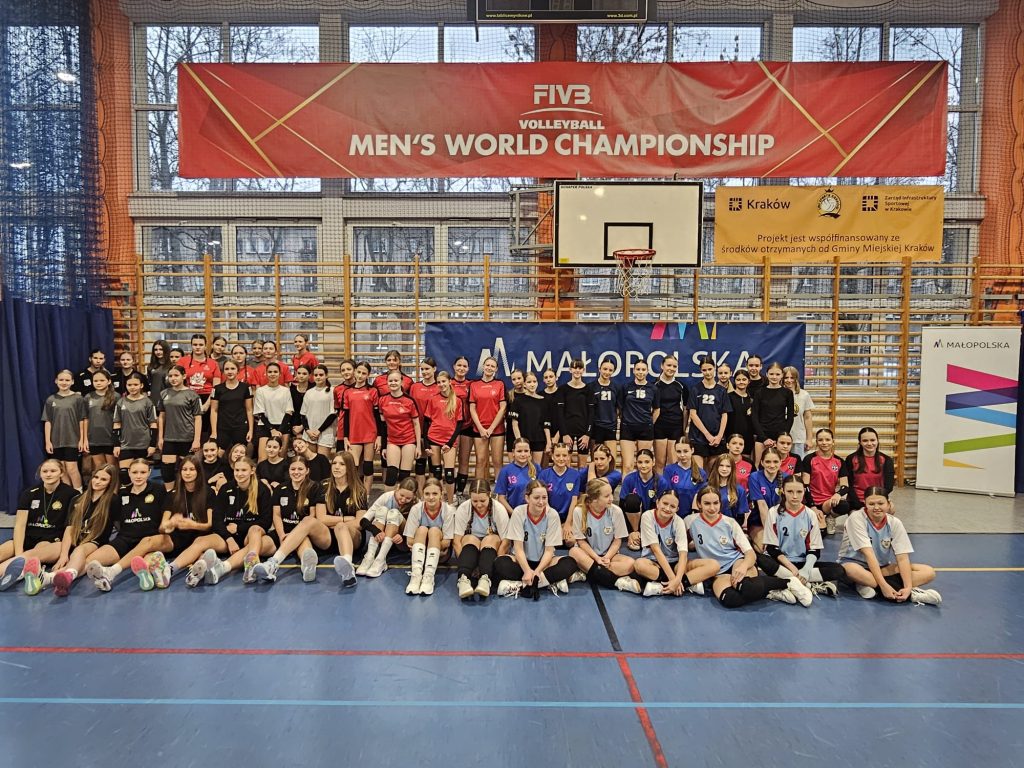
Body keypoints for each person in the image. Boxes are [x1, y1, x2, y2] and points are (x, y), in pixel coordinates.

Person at [684, 486, 804, 608]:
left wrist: (743, 567)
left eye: (716, 503)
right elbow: (682, 547)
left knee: (746, 587)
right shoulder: (690, 522)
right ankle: (768, 592)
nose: (712, 508)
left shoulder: (730, 523)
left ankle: (788, 582)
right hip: (718, 572)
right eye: (707, 503)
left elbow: (750, 554)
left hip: (737, 562)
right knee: (729, 599)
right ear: (699, 504)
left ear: (720, 503)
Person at [838, 487, 941, 605]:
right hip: (855, 565)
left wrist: (907, 587)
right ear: (865, 504)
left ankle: (866, 584)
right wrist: (883, 586)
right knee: (851, 570)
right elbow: (869, 554)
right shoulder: (856, 518)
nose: (876, 507)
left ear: (888, 504)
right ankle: (912, 594)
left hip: (882, 568)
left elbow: (902, 558)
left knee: (928, 572)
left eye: (880, 503)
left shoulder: (894, 523)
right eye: (871, 504)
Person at [84, 458, 167, 592]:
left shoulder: (159, 489)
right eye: (134, 472)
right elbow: (116, 520)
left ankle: (113, 574)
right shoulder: (121, 493)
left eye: (142, 472)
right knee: (91, 560)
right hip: (125, 539)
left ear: (149, 473)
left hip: (149, 540)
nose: (138, 476)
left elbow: (166, 513)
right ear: (129, 473)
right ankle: (65, 576)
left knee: (149, 563)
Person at [190, 457, 275, 586]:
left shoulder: (262, 490)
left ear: (252, 471)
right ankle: (172, 568)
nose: (239, 474)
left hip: (251, 538)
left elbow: (266, 521)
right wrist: (229, 539)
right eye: (237, 470)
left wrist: (239, 528)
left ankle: (247, 568)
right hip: (229, 537)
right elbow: (217, 519)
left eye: (244, 470)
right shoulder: (226, 488)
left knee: (255, 530)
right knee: (200, 541)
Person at [757, 475, 842, 604]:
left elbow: (814, 549)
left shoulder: (810, 514)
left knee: (838, 570)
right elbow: (772, 548)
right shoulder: (773, 512)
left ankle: (787, 583)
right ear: (783, 491)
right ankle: (807, 584)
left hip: (802, 563)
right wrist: (792, 568)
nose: (795, 496)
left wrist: (806, 569)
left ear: (804, 492)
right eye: (790, 491)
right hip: (782, 563)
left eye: (799, 492)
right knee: (760, 559)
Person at [0, 459, 79, 593]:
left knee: (34, 552)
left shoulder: (72, 494)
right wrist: (19, 553)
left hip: (53, 541)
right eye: (45, 471)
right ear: (40, 474)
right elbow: (20, 525)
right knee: (6, 549)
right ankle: (21, 568)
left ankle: (12, 571)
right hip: (29, 538)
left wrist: (64, 555)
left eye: (53, 471)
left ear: (61, 473)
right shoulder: (29, 493)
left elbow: (70, 527)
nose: (48, 474)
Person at [493, 480, 578, 598]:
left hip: (544, 563)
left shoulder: (552, 515)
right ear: (527, 498)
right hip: (521, 562)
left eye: (544, 497)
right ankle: (547, 582)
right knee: (500, 563)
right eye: (536, 498)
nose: (541, 502)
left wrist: (537, 572)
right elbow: (518, 549)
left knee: (570, 563)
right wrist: (527, 570)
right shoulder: (519, 512)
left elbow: (549, 551)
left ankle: (522, 585)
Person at [44, 463, 119, 596]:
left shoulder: (112, 501)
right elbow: (70, 528)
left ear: (110, 483)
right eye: (96, 477)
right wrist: (63, 555)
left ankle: (62, 576)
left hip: (94, 542)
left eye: (103, 479)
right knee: (57, 549)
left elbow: (120, 525)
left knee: (80, 550)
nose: (97, 481)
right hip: (75, 540)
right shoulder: (77, 499)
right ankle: (44, 576)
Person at [252, 456, 330, 584]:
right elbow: (276, 515)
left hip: (304, 532)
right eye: (293, 469)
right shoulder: (280, 488)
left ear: (307, 471)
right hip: (284, 532)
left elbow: (313, 515)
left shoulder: (315, 487)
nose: (296, 472)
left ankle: (275, 563)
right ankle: (228, 566)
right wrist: (282, 535)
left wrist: (294, 534)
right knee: (258, 545)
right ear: (288, 470)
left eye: (300, 469)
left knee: (305, 541)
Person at [140, 455, 213, 589]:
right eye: (184, 469)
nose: (187, 473)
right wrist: (169, 524)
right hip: (177, 539)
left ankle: (170, 571)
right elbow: (162, 527)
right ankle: (148, 575)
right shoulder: (172, 494)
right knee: (149, 548)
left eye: (191, 469)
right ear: (180, 472)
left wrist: (193, 525)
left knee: (204, 557)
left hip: (199, 539)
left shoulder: (208, 492)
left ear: (198, 472)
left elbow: (209, 525)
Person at [632, 489, 720, 598]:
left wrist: (677, 579)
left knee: (714, 565)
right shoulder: (647, 516)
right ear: (657, 502)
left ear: (677, 509)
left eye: (672, 506)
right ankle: (685, 585)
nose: (668, 508)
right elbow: (656, 550)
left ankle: (662, 586)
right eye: (665, 503)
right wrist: (673, 579)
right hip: (653, 562)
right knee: (639, 565)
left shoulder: (679, 522)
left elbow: (683, 554)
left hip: (676, 564)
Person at [567, 479, 637, 593]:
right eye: (607, 496)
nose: (612, 498)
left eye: (611, 494)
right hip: (588, 555)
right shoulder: (578, 511)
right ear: (594, 499)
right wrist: (596, 558)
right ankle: (617, 582)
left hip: (609, 555)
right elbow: (581, 541)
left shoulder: (616, 511)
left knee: (631, 564)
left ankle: (586, 572)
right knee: (574, 552)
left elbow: (617, 540)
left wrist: (606, 558)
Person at [452, 479, 508, 600]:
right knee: (469, 538)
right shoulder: (463, 508)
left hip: (490, 550)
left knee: (491, 538)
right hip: (471, 549)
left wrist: (496, 566)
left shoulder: (499, 509)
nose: (478, 505)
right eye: (475, 501)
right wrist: (464, 564)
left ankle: (485, 579)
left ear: (490, 495)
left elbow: (505, 542)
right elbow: (456, 542)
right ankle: (463, 579)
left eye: (482, 501)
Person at [321, 452, 367, 589]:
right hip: (331, 537)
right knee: (338, 525)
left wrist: (338, 525)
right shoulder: (323, 486)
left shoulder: (359, 490)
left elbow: (360, 522)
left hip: (354, 537)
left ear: (349, 467)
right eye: (334, 463)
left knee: (341, 527)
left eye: (342, 464)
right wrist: (344, 519)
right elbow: (321, 518)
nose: (336, 467)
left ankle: (347, 565)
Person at [356, 478, 419, 577]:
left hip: (403, 542)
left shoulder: (417, 504)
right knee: (382, 510)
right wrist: (376, 531)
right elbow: (364, 520)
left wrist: (403, 536)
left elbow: (418, 531)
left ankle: (380, 560)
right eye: (401, 495)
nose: (403, 500)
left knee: (394, 513)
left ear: (414, 495)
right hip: (384, 538)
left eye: (408, 498)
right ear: (397, 488)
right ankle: (369, 557)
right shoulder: (386, 497)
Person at [402, 477, 454, 595]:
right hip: (420, 554)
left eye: (435, 493)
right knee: (422, 529)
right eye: (427, 494)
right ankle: (416, 576)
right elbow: (409, 541)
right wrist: (425, 548)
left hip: (441, 554)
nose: (431, 497)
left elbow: (446, 542)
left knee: (434, 531)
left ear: (441, 494)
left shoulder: (448, 510)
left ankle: (428, 577)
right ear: (422, 494)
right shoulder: (416, 509)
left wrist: (431, 545)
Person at [156, 365, 203, 491]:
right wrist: (160, 438)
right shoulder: (164, 393)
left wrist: (196, 440)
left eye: (176, 375)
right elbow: (161, 417)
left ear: (184, 376)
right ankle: (169, 495)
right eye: (170, 376)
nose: (173, 378)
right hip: (169, 438)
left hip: (187, 437)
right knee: (167, 471)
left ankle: (187, 495)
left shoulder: (192, 394)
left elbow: (198, 418)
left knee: (187, 471)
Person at [800, 428, 850, 536]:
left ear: (833, 441)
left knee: (845, 505)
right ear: (816, 442)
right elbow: (805, 485)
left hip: (827, 502)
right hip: (810, 501)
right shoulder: (809, 459)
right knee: (819, 534)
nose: (824, 443)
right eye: (820, 440)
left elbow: (845, 486)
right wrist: (812, 506)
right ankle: (814, 517)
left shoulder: (839, 461)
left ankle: (830, 517)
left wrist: (838, 494)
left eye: (827, 439)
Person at [43, 369, 87, 490]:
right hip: (56, 441)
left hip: (72, 440)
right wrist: (48, 441)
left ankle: (78, 493)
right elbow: (48, 421)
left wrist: (82, 440)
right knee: (62, 469)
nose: (64, 382)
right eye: (61, 380)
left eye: (67, 380)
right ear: (56, 381)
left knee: (72, 468)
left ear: (72, 382)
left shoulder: (78, 398)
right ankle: (68, 494)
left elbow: (82, 420)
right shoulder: (51, 399)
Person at [618, 448, 669, 551]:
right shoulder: (629, 479)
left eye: (647, 462)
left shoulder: (661, 481)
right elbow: (622, 505)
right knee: (631, 499)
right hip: (633, 519)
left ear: (653, 462)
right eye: (640, 462)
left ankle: (645, 535)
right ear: (636, 463)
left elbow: (662, 508)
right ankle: (634, 533)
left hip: (651, 519)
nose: (643, 465)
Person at [342, 361, 380, 495]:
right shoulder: (348, 392)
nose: (360, 375)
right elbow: (346, 416)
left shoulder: (373, 391)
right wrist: (345, 437)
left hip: (370, 433)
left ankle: (366, 496)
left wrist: (379, 436)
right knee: (353, 467)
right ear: (355, 372)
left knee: (368, 466)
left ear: (368, 375)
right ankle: (354, 495)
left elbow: (377, 416)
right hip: (354, 434)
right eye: (358, 372)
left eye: (364, 373)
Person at [377, 369, 421, 486]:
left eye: (396, 380)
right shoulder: (382, 400)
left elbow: (416, 424)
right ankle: (389, 498)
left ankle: (403, 498)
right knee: (391, 476)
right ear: (387, 382)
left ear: (402, 382)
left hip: (409, 440)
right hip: (392, 441)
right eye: (390, 381)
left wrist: (418, 446)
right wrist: (384, 446)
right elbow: (383, 425)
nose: (393, 383)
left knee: (404, 476)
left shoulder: (409, 401)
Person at [113, 372, 158, 485]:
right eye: (129, 385)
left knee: (140, 475)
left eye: (135, 384)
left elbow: (153, 424)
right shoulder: (121, 402)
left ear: (141, 385)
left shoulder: (148, 402)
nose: (132, 387)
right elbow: (117, 424)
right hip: (126, 444)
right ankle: (127, 495)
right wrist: (116, 445)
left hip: (143, 443)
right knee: (124, 474)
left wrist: (152, 445)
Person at [425, 371, 464, 502]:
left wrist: (450, 443)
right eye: (439, 382)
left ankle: (451, 502)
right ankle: (439, 501)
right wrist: (426, 444)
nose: (441, 384)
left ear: (449, 382)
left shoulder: (457, 400)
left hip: (449, 441)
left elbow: (459, 424)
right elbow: (426, 422)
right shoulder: (433, 399)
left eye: (443, 381)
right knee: (436, 472)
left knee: (449, 473)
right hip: (433, 438)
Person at [687, 355, 731, 468]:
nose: (707, 372)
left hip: (717, 437)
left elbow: (724, 414)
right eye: (704, 370)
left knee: (714, 472)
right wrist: (707, 435)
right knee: (698, 473)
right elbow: (693, 414)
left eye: (710, 369)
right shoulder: (695, 389)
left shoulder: (721, 391)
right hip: (698, 437)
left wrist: (719, 436)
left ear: (714, 368)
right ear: (701, 370)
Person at [618, 359, 660, 476]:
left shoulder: (653, 389)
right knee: (628, 465)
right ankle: (626, 488)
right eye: (638, 369)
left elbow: (657, 409)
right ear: (633, 370)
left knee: (643, 465)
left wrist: (649, 423)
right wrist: (626, 420)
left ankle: (642, 488)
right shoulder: (626, 387)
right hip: (628, 429)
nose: (640, 372)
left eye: (643, 369)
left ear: (647, 371)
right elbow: (620, 408)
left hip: (645, 429)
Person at [469, 356, 506, 481]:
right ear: (483, 366)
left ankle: (499, 491)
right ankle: (480, 489)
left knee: (497, 461)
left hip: (497, 430)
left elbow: (502, 408)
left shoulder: (500, 384)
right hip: (479, 430)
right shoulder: (474, 385)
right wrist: (481, 428)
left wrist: (491, 428)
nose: (489, 368)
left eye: (492, 366)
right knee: (480, 461)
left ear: (496, 369)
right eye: (488, 365)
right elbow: (472, 408)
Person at [178, 333, 222, 438]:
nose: (197, 347)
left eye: (201, 345)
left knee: (205, 430)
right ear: (191, 345)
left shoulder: (213, 363)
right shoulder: (183, 361)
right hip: (187, 397)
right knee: (188, 428)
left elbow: (216, 387)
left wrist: (207, 405)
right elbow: (178, 381)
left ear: (205, 346)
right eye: (195, 344)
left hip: (207, 397)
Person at [752, 361, 794, 464]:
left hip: (779, 435)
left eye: (777, 374)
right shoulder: (759, 392)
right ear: (767, 374)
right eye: (771, 374)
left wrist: (782, 438)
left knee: (778, 465)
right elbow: (754, 417)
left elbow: (790, 417)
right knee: (759, 465)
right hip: (762, 435)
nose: (774, 377)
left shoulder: (787, 393)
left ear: (782, 375)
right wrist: (763, 438)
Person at [538, 443, 581, 544]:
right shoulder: (544, 474)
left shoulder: (575, 475)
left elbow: (574, 501)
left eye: (564, 455)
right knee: (544, 541)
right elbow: (543, 500)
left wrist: (568, 523)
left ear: (569, 457)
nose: (561, 459)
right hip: (549, 516)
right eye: (557, 455)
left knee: (570, 541)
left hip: (567, 518)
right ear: (552, 456)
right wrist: (554, 522)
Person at [552, 359, 591, 470]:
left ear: (583, 370)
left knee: (582, 466)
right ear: (570, 370)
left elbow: (591, 414)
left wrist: (587, 434)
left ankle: (581, 483)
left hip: (583, 432)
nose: (577, 370)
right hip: (567, 431)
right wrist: (564, 433)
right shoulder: (563, 389)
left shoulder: (588, 390)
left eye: (580, 368)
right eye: (574, 368)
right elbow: (560, 413)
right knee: (565, 464)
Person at [844, 427, 895, 510]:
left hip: (877, 499)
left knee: (891, 509)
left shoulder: (887, 460)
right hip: (857, 501)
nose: (869, 443)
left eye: (872, 440)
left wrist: (876, 501)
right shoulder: (851, 459)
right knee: (858, 517)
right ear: (860, 442)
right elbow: (848, 485)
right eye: (865, 441)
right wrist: (858, 504)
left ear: (877, 441)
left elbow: (889, 486)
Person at [652, 355, 687, 474]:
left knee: (673, 462)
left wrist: (684, 428)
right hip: (659, 426)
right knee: (660, 462)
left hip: (676, 426)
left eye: (674, 366)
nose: (671, 368)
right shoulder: (654, 386)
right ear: (662, 366)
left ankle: (674, 485)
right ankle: (659, 485)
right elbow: (652, 409)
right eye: (669, 365)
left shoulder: (681, 386)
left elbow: (685, 409)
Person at [209, 359, 253, 454]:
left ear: (238, 370)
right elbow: (214, 410)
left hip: (240, 427)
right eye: (227, 369)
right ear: (223, 371)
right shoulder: (217, 389)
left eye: (232, 368)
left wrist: (250, 430)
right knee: (219, 454)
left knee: (240, 454)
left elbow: (249, 410)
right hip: (222, 427)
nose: (229, 371)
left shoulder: (246, 387)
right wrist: (214, 432)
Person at [253, 362, 293, 462]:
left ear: (280, 374)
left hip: (283, 426)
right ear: (266, 374)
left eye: (275, 372)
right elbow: (260, 413)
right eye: (270, 372)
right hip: (265, 426)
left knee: (281, 459)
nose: (272, 374)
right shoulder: (260, 391)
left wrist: (279, 431)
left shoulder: (285, 391)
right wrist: (272, 430)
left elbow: (289, 412)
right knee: (262, 459)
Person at [746, 446, 785, 551]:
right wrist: (770, 534)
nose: (772, 465)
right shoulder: (755, 477)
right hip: (759, 522)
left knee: (785, 548)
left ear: (781, 462)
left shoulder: (786, 478)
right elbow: (762, 507)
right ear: (762, 462)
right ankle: (752, 538)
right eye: (768, 462)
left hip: (782, 522)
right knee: (764, 548)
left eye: (775, 461)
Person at [509, 372, 551, 466]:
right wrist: (519, 441)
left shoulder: (543, 401)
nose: (532, 384)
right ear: (524, 384)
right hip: (524, 439)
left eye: (534, 381)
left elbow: (546, 424)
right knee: (522, 467)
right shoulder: (518, 400)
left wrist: (549, 442)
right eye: (529, 382)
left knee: (536, 467)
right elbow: (514, 424)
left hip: (539, 439)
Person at [410, 358, 439, 492]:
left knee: (434, 465)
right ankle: (421, 495)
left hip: (434, 432)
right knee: (420, 464)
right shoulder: (415, 387)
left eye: (427, 368)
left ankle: (433, 493)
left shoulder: (439, 386)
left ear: (434, 369)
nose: (425, 371)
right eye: (422, 369)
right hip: (419, 431)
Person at [84, 369, 117, 477]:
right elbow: (85, 419)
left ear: (109, 381)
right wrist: (85, 439)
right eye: (95, 381)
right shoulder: (88, 397)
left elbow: (119, 420)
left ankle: (115, 487)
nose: (98, 383)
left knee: (112, 468)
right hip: (94, 439)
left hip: (110, 438)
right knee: (99, 467)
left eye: (102, 380)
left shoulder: (115, 396)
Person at [662, 436, 706, 516]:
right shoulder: (669, 470)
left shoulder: (701, 473)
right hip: (672, 514)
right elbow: (667, 493)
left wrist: (693, 515)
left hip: (692, 515)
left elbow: (700, 497)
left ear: (692, 450)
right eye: (679, 451)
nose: (682, 455)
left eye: (685, 451)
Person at [299, 364, 337, 457]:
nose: (318, 377)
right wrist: (307, 430)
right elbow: (303, 414)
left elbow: (333, 414)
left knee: (322, 461)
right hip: (310, 433)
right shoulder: (309, 392)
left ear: (326, 375)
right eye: (316, 375)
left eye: (321, 375)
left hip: (326, 432)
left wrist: (319, 430)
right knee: (310, 461)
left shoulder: (332, 391)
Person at [495, 438, 539, 515]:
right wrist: (514, 514)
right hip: (513, 513)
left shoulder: (537, 468)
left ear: (530, 452)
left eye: (526, 451)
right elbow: (501, 498)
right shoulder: (505, 471)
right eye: (519, 451)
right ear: (513, 452)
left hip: (534, 514)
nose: (523, 454)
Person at [450, 356, 474, 497]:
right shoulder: (448, 383)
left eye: (464, 366)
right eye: (459, 365)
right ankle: (451, 491)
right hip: (451, 427)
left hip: (467, 426)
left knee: (464, 460)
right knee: (450, 461)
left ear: (468, 369)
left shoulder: (471, 385)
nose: (461, 368)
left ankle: (459, 492)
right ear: (454, 366)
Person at [588, 358, 621, 457]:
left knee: (612, 459)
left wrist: (612, 418)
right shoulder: (591, 387)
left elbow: (618, 408)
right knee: (596, 460)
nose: (607, 372)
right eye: (605, 369)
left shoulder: (617, 388)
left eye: (610, 370)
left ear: (613, 372)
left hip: (610, 427)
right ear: (599, 369)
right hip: (596, 427)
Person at [782, 366, 815, 457]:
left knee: (798, 463)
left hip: (798, 438)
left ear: (796, 378)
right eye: (786, 377)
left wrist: (809, 439)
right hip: (781, 438)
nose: (789, 380)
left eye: (792, 377)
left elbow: (808, 418)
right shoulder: (777, 394)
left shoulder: (804, 395)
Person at [725, 369, 756, 461]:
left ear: (748, 381)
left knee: (745, 463)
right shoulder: (728, 397)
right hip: (730, 435)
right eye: (738, 380)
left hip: (747, 437)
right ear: (734, 381)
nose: (741, 382)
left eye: (744, 379)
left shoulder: (752, 400)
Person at [504, 368, 526, 458]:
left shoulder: (531, 394)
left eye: (519, 378)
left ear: (524, 378)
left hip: (527, 431)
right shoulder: (509, 396)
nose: (517, 381)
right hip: (511, 433)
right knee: (513, 463)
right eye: (514, 379)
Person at [147, 340, 172, 405]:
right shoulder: (150, 367)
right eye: (155, 350)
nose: (158, 352)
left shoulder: (172, 366)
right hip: (155, 398)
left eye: (161, 349)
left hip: (169, 398)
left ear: (166, 350)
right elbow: (149, 383)